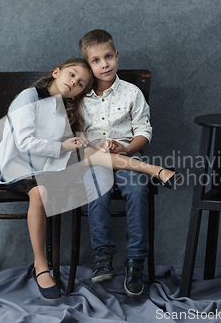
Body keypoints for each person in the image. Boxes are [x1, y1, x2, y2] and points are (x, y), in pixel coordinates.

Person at [0, 57, 181, 300]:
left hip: (45, 163)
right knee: (40, 193)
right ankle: (41, 265)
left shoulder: (61, 106)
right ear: (56, 72)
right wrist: (64, 146)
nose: (74, 83)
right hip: (18, 165)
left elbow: (57, 140)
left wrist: (76, 143)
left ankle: (156, 171)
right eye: (71, 75)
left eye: (80, 84)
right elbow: (23, 143)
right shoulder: (30, 97)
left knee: (91, 153)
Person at [78, 29, 160, 297]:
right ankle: (103, 255)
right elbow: (77, 138)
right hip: (96, 162)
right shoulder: (81, 98)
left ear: (117, 56)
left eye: (109, 57)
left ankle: (136, 260)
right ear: (88, 65)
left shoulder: (131, 93)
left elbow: (143, 131)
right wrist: (94, 147)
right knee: (97, 190)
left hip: (128, 159)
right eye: (96, 60)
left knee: (138, 189)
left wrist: (124, 148)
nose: (104, 65)